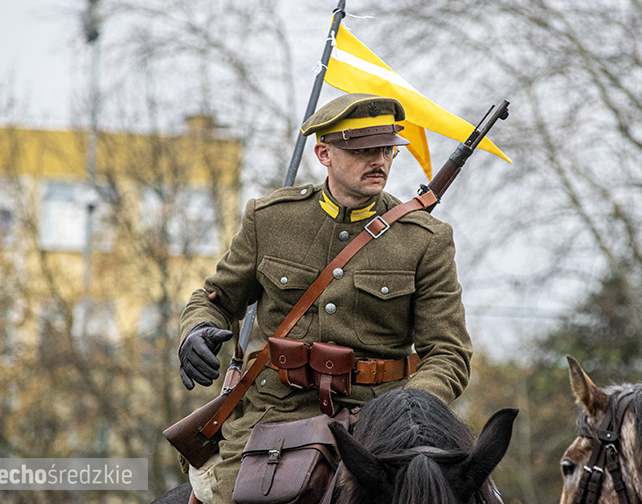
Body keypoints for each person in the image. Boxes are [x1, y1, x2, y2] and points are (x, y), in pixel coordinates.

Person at [177, 92, 473, 503]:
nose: (380, 161)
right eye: (363, 150)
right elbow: (215, 299)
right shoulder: (271, 219)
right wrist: (197, 329)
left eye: (387, 149)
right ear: (324, 154)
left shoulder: (425, 239)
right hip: (276, 413)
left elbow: (448, 352)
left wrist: (407, 408)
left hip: (379, 423)